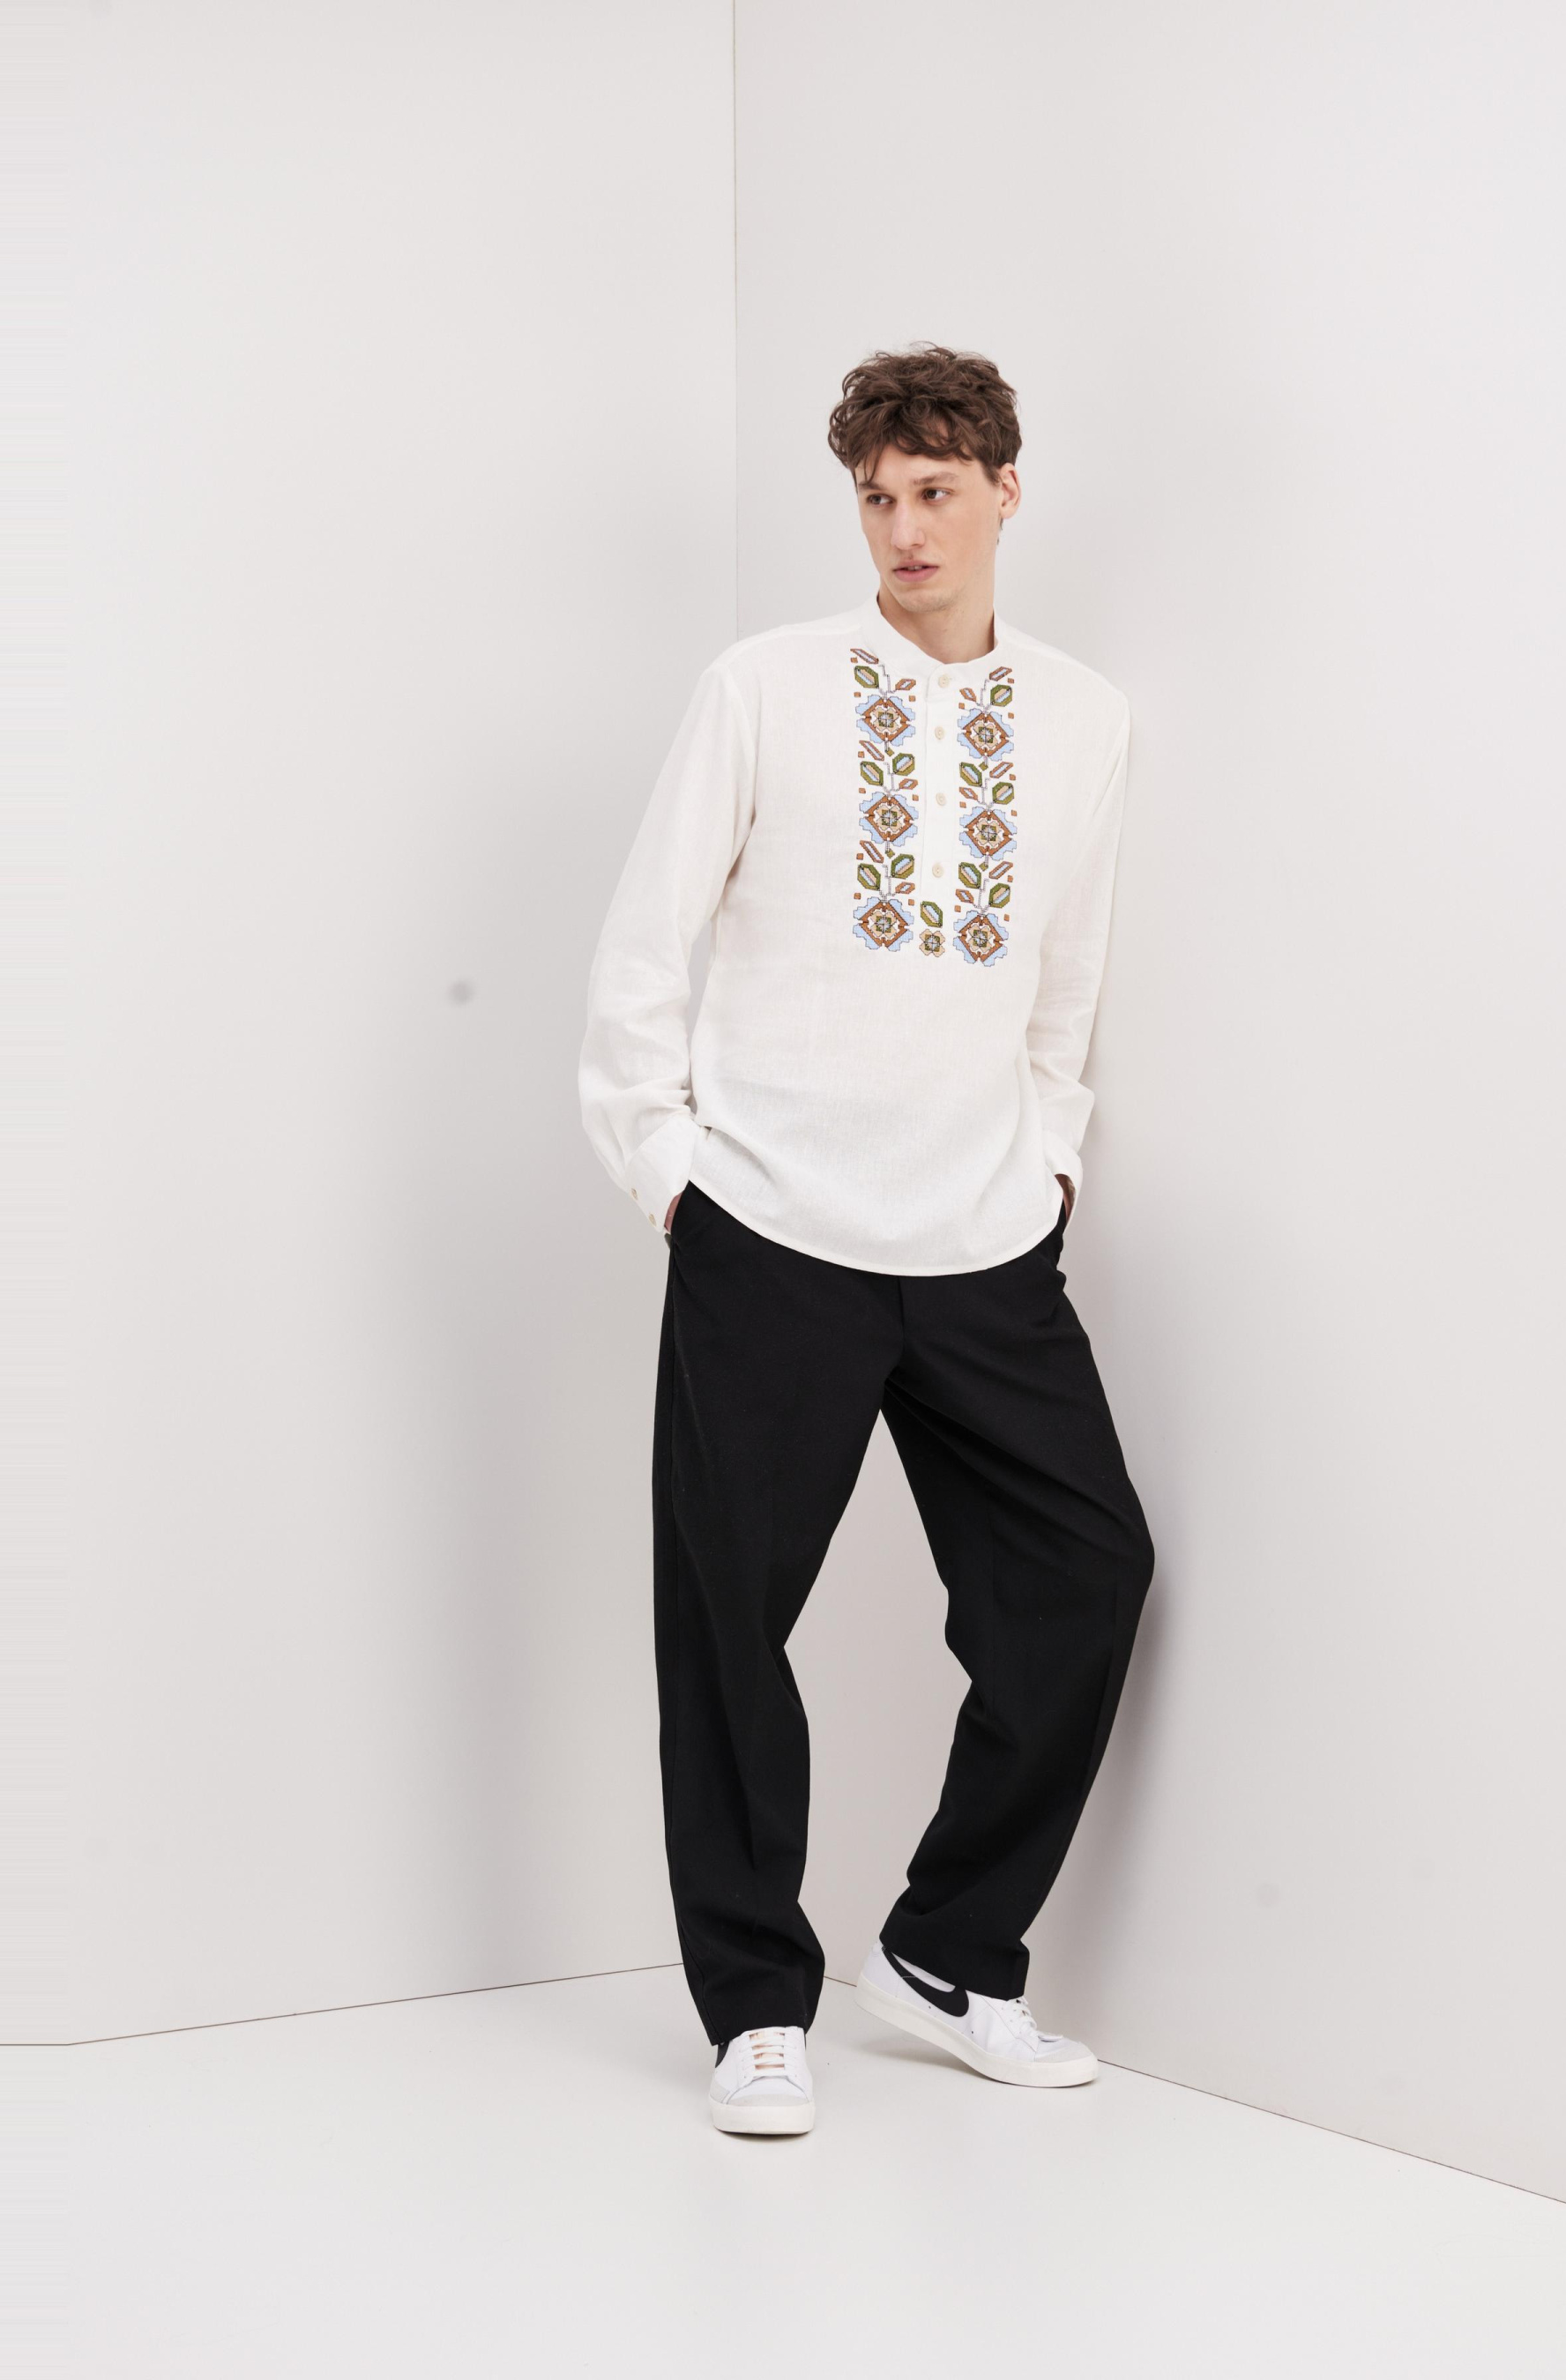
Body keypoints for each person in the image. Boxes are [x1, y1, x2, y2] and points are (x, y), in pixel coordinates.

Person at [579, 345, 1154, 2137]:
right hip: (769, 1222)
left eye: (934, 491)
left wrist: (1047, 1163)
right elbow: (646, 945)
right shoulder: (763, 687)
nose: (903, 528)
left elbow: (1065, 976)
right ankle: (757, 2003)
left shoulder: (1084, 719)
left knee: (1084, 1576)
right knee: (727, 1624)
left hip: (983, 1237)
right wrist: (669, 1167)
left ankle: (951, 1950)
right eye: (875, 497)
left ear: (1002, 492)